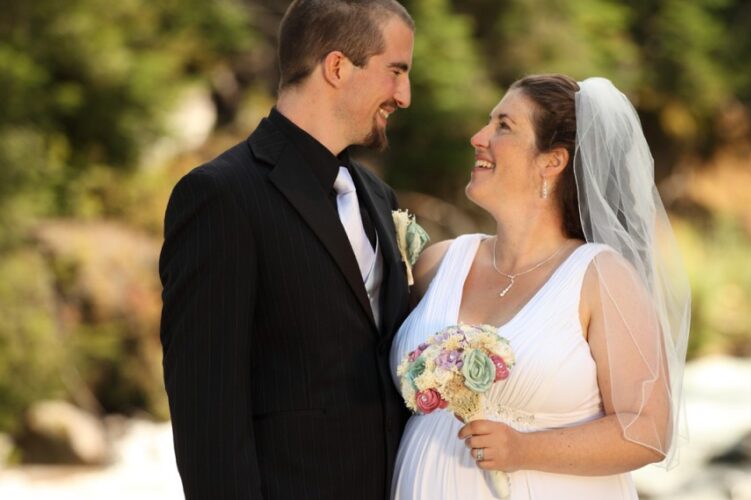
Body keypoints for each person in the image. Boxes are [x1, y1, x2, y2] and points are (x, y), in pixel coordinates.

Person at [390, 74, 691, 499]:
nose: (479, 137)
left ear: (552, 161)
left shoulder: (600, 277)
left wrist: (524, 449)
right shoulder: (439, 263)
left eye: (503, 126)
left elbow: (648, 430)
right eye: (488, 122)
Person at [159, 1, 415, 498]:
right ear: (338, 67)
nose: (404, 95)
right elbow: (206, 413)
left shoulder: (379, 198)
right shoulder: (221, 196)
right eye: (396, 71)